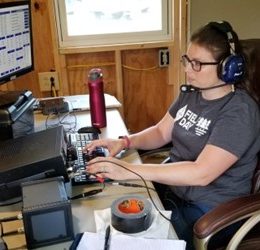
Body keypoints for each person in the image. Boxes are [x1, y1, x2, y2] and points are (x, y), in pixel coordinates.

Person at [85, 21, 260, 249]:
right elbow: (160, 132)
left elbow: (201, 173)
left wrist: (128, 170)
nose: (187, 69)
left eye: (197, 64)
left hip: (210, 211)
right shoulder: (192, 94)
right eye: (187, 60)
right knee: (111, 222)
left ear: (227, 67)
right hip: (174, 193)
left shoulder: (240, 112)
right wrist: (124, 141)